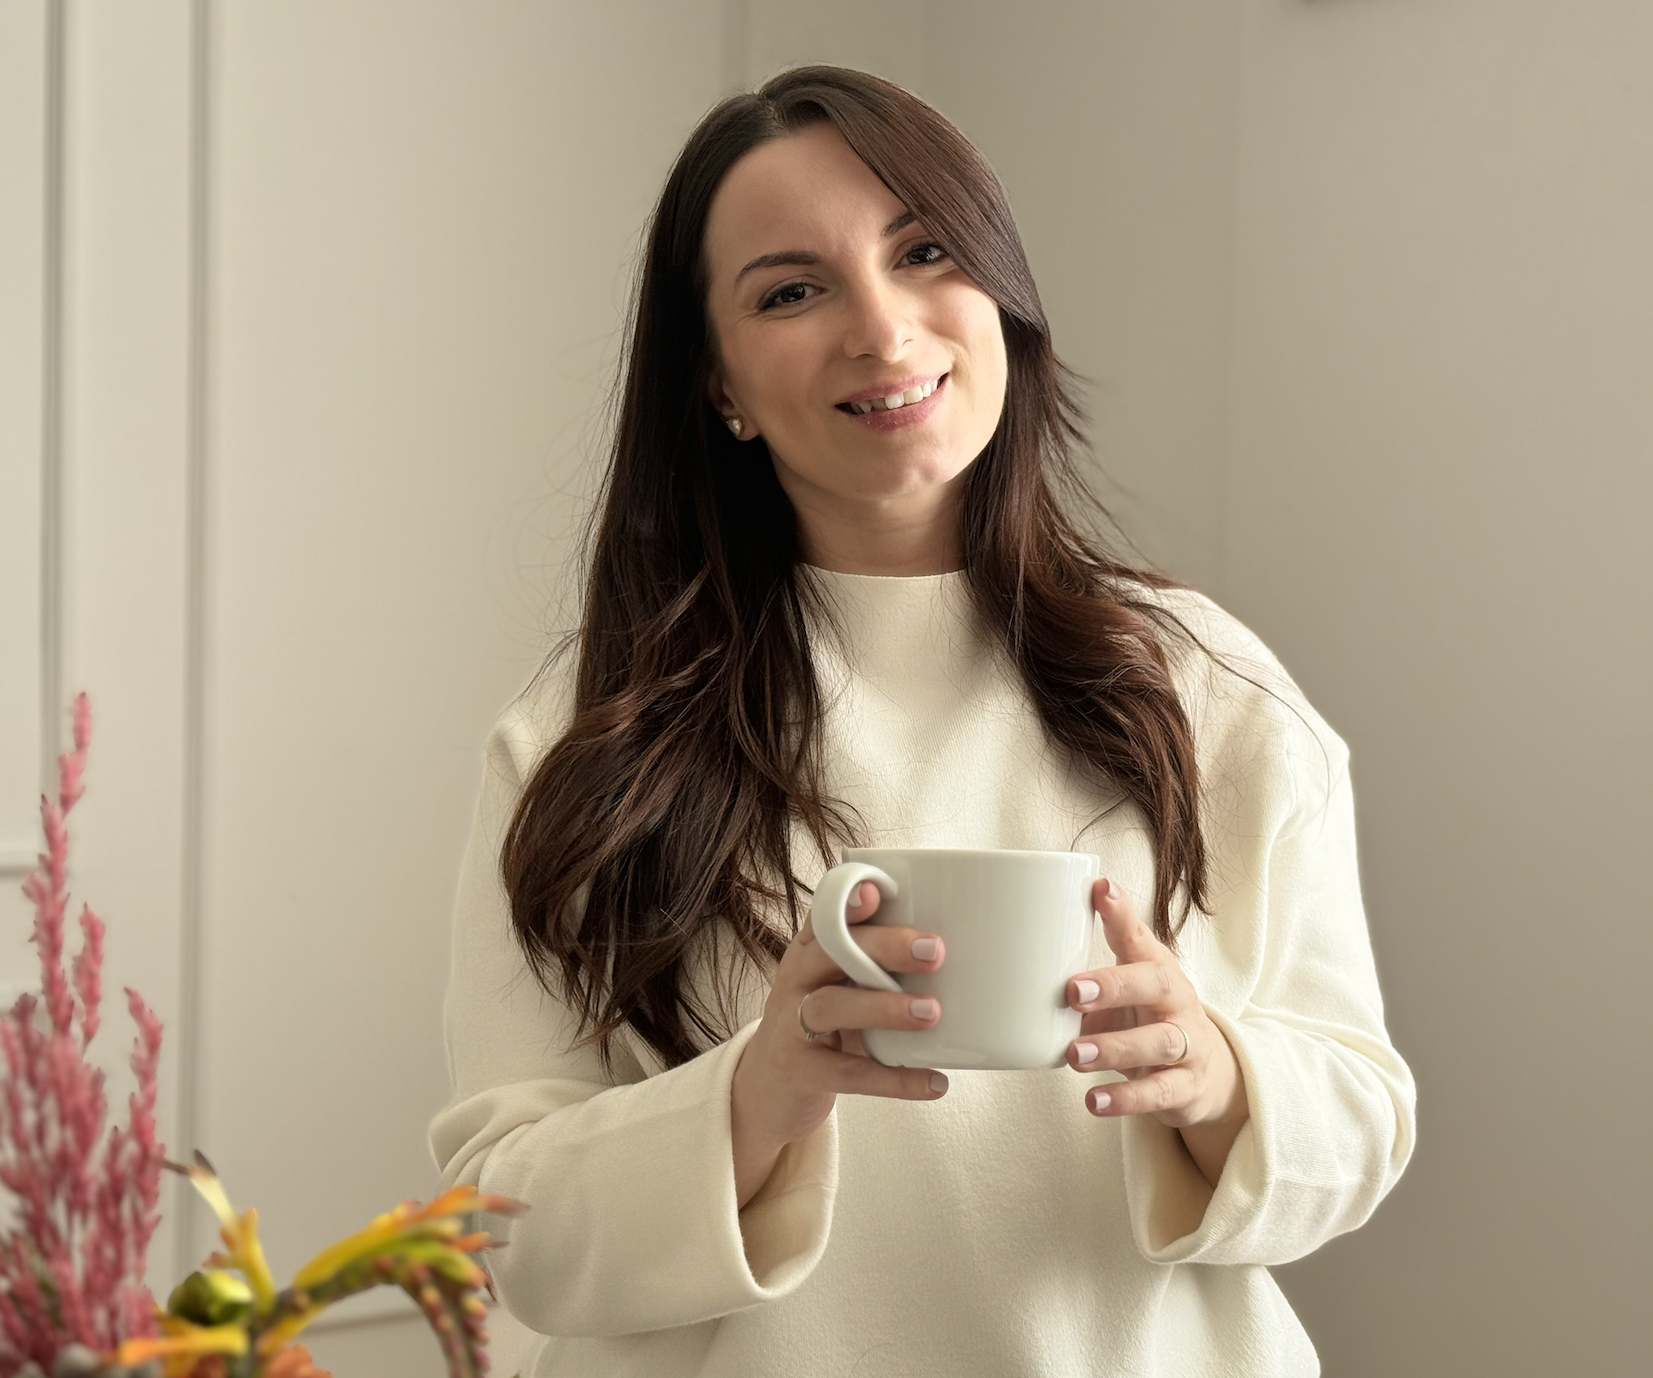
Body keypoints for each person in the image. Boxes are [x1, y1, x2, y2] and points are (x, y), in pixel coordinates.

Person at [429, 64, 1415, 1378]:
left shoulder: (1200, 683)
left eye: (924, 252)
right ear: (715, 382)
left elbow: (1361, 1115)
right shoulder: (586, 735)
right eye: (791, 289)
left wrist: (1219, 1076)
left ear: (1000, 297)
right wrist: (753, 1094)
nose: (882, 331)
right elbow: (500, 1225)